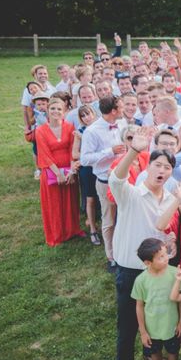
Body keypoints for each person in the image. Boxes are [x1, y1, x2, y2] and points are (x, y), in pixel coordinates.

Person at [106, 129, 180, 360]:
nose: (162, 170)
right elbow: (116, 179)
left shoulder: (170, 200)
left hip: (158, 272)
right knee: (127, 328)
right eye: (158, 165)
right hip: (130, 272)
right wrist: (134, 151)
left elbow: (167, 235)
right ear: (148, 167)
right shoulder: (132, 194)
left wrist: (170, 244)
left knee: (157, 322)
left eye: (168, 167)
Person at [131, 238, 181, 360]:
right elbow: (139, 306)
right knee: (155, 352)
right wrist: (143, 331)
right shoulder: (141, 280)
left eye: (165, 254)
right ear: (148, 263)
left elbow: (180, 300)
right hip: (152, 327)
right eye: (161, 257)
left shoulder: (174, 273)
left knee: (173, 350)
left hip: (171, 324)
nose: (166, 258)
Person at [80, 95, 126, 271]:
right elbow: (84, 159)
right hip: (106, 181)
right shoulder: (92, 131)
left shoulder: (122, 124)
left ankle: (125, 250)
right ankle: (111, 256)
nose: (123, 110)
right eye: (121, 107)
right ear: (113, 111)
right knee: (109, 220)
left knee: (124, 217)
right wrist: (109, 152)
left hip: (125, 179)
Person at [35, 97, 83, 247]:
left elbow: (72, 150)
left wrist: (71, 172)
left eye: (59, 109)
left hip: (69, 169)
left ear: (64, 112)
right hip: (51, 171)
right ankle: (56, 234)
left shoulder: (69, 127)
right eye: (52, 109)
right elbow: (44, 154)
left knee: (70, 201)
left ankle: (72, 229)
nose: (56, 111)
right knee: (54, 203)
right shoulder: (40, 130)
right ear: (48, 111)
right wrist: (58, 174)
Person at [71, 105, 101, 245]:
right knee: (90, 199)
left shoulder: (101, 128)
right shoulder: (79, 132)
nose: (86, 117)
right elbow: (74, 154)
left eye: (88, 114)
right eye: (83, 116)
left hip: (101, 167)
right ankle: (93, 230)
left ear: (94, 114)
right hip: (87, 169)